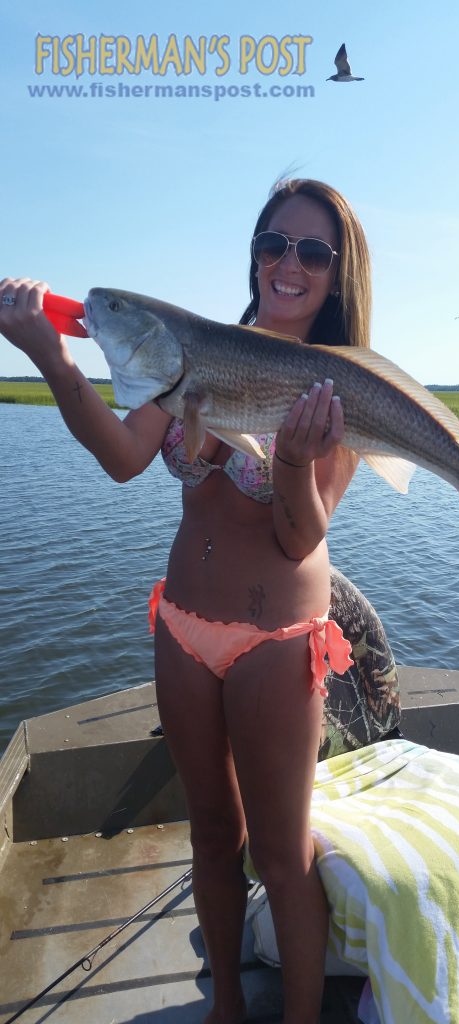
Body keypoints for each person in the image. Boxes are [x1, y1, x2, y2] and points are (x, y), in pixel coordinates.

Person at [0, 178, 373, 1024]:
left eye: (313, 252)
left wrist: (285, 458)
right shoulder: (191, 354)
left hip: (276, 642)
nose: (288, 263)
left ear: (336, 274)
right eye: (274, 242)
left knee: (282, 855)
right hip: (182, 626)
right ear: (254, 250)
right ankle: (229, 1005)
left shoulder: (334, 385)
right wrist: (55, 362)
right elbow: (124, 456)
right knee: (212, 830)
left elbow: (297, 539)